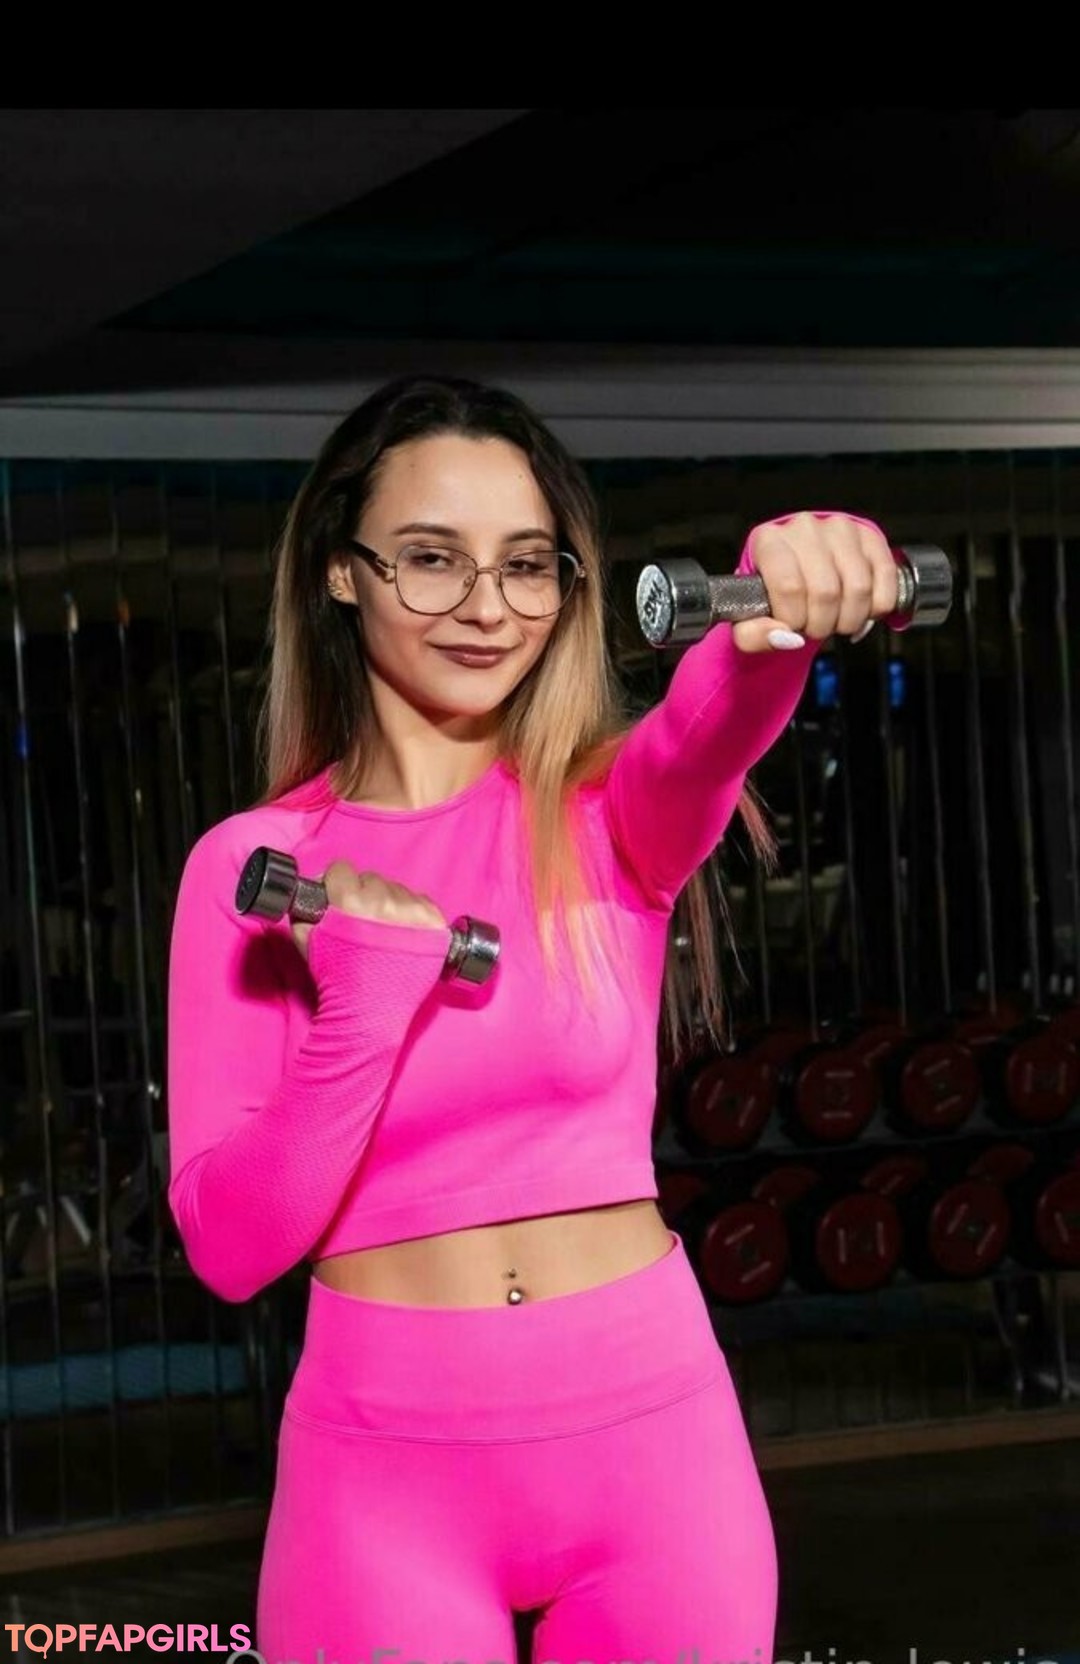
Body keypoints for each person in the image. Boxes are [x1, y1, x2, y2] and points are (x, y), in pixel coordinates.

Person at [165, 374, 898, 1664]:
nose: (486, 606)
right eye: (430, 559)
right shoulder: (256, 864)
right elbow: (232, 1247)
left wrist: (771, 613)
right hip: (384, 1478)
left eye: (524, 564)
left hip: (653, 1452)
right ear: (339, 571)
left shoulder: (610, 811)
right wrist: (364, 1002)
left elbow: (707, 730)